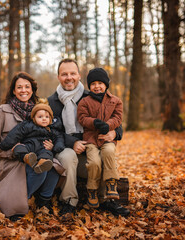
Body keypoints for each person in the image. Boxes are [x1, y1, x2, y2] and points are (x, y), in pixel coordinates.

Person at [48, 59, 130, 217]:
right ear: (58, 77)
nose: (69, 77)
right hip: (66, 147)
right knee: (68, 155)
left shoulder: (90, 95)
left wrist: (115, 133)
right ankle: (69, 202)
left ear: (79, 76)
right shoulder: (52, 102)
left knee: (104, 155)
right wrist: (73, 143)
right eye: (64, 74)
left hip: (91, 146)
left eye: (73, 73)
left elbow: (113, 120)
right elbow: (52, 131)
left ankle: (106, 200)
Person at [0, 72, 61, 221]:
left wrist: (51, 145)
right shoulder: (3, 111)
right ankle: (21, 199)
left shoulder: (40, 111)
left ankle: (42, 203)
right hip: (11, 161)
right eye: (19, 87)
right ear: (13, 90)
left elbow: (53, 132)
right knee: (38, 169)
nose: (23, 90)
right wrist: (11, 152)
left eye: (27, 87)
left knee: (52, 167)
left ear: (32, 90)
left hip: (37, 154)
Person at [77, 67, 123, 208]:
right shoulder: (85, 101)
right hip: (90, 139)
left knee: (109, 152)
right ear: (89, 86)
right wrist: (94, 122)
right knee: (94, 162)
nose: (97, 86)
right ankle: (92, 190)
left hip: (106, 138)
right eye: (93, 84)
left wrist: (109, 126)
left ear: (106, 84)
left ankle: (111, 183)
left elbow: (118, 118)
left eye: (100, 83)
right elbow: (82, 118)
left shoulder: (115, 101)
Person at [0, 100, 65, 174]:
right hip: (29, 146)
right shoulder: (28, 125)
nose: (44, 119)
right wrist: (5, 144)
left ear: (50, 119)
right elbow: (16, 133)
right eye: (40, 117)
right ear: (34, 118)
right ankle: (27, 157)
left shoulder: (52, 129)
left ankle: (42, 163)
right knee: (18, 148)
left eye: (47, 117)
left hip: (42, 148)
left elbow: (59, 137)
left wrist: (57, 147)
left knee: (47, 153)